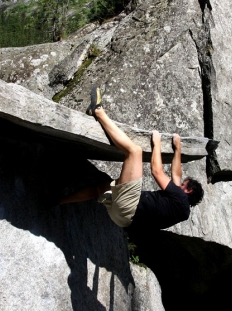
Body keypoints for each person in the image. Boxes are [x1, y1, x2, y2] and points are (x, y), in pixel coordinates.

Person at [58, 85, 204, 231]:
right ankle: (59, 201)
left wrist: (157, 143)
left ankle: (98, 111)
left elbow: (157, 171)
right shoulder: (181, 210)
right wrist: (177, 148)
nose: (179, 184)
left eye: (184, 184)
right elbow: (176, 176)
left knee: (135, 151)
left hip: (130, 206)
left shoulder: (179, 196)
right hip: (122, 220)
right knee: (101, 189)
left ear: (189, 190)